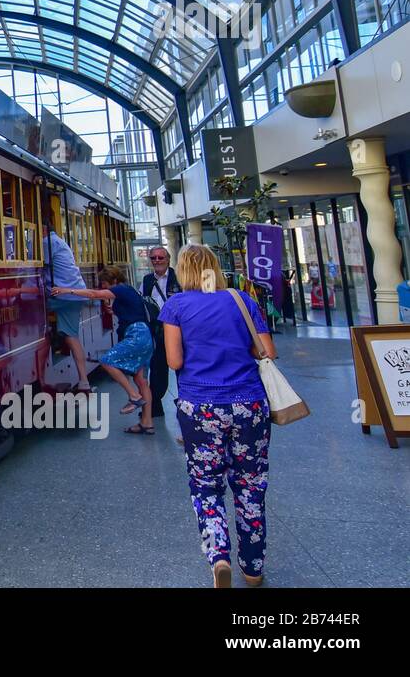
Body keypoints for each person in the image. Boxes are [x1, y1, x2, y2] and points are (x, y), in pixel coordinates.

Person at [160, 244, 277, 588]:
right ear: (215, 267)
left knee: (205, 487)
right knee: (250, 485)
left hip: (200, 407)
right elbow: (268, 352)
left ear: (182, 270)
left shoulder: (175, 306)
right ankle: (253, 568)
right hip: (249, 405)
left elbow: (174, 362)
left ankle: (218, 556)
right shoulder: (242, 300)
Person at [52, 266, 154, 434]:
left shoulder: (120, 289)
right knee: (142, 381)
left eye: (105, 284)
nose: (103, 288)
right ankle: (147, 423)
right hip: (144, 335)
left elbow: (94, 295)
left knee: (106, 361)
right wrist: (114, 311)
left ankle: (134, 396)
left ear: (113, 280)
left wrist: (67, 290)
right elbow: (132, 312)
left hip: (136, 335)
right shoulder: (129, 291)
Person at [40, 208, 91, 393]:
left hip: (65, 295)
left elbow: (34, 265)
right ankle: (83, 380)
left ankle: (83, 381)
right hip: (73, 293)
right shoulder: (57, 241)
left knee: (30, 311)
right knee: (71, 336)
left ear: (42, 229)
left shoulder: (47, 242)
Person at [141, 246, 181, 417]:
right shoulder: (147, 280)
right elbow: (143, 300)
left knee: (182, 367)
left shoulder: (178, 277)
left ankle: (185, 404)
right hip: (157, 329)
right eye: (153, 258)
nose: (157, 261)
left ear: (168, 259)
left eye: (160, 257)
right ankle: (155, 405)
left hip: (178, 329)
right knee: (158, 368)